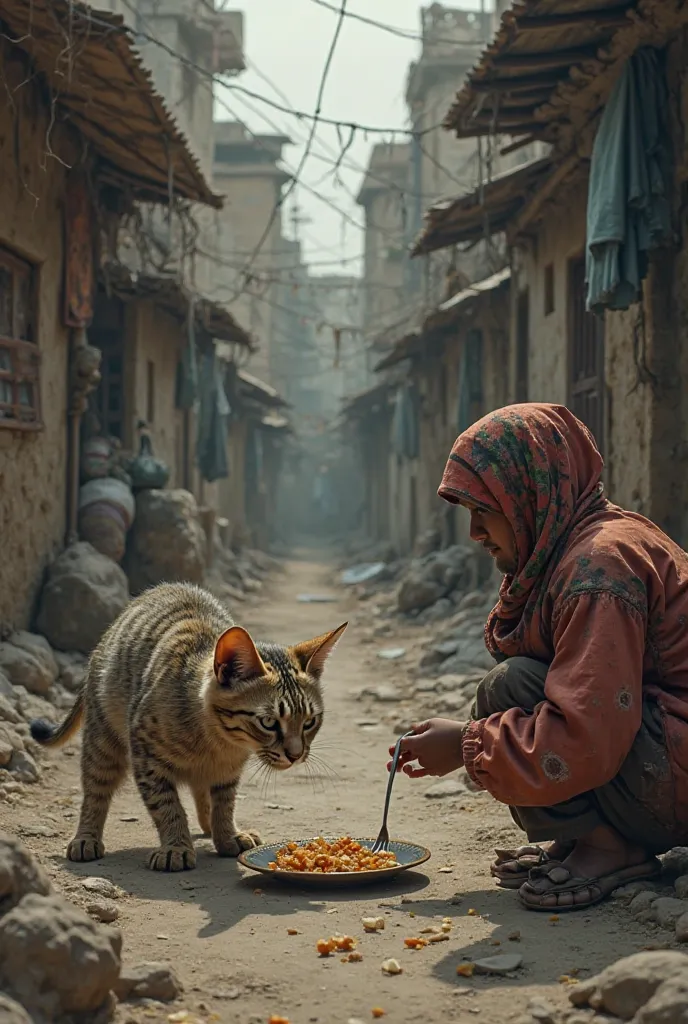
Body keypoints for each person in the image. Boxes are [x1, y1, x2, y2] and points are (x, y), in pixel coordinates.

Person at [389, 403, 688, 912]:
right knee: (511, 687)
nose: (475, 534)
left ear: (529, 497)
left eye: (485, 512)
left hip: (673, 771)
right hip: (663, 748)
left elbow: (588, 730)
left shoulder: (599, 568)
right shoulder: (579, 544)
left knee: (508, 689)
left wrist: (465, 746)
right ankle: (581, 837)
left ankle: (608, 848)